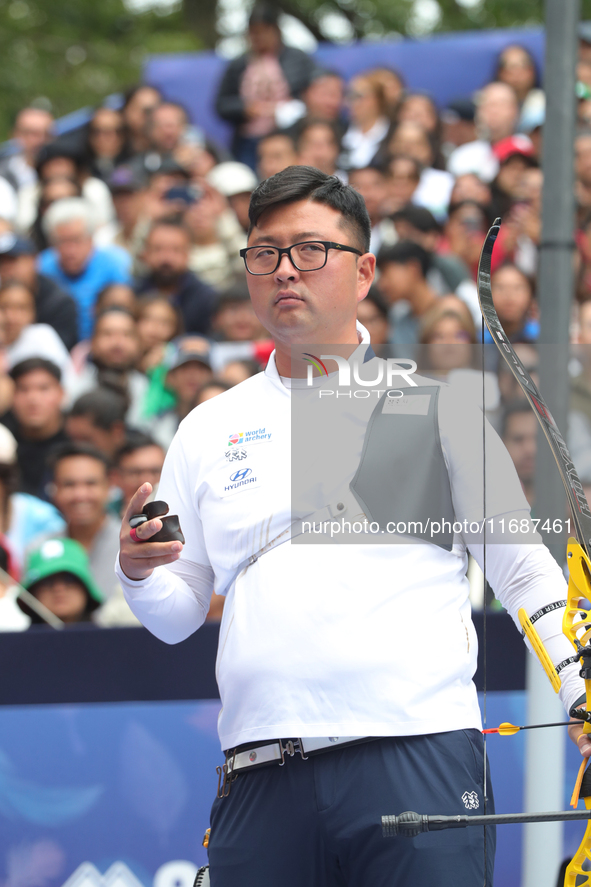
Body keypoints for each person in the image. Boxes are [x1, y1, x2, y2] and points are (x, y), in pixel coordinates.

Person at [115, 165, 587, 886]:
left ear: (363, 270)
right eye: (264, 252)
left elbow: (521, 568)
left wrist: (580, 690)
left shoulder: (438, 408)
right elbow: (177, 614)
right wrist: (139, 572)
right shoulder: (209, 426)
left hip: (416, 754)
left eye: (310, 250)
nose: (284, 271)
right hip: (260, 767)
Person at [215, 3, 315, 169]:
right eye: (254, 33)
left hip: (288, 136)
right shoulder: (238, 64)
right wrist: (244, 108)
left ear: (276, 31)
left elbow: (314, 91)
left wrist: (291, 107)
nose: (259, 37)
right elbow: (221, 104)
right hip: (248, 141)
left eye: (264, 31)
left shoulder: (297, 59)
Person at [35, 442, 121, 601]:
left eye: (91, 483)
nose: (80, 495)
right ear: (53, 489)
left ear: (110, 485)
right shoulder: (38, 550)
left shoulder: (133, 544)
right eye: (69, 484)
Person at [38, 197, 131, 341]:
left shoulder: (116, 263)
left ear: (91, 238)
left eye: (77, 240)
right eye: (62, 241)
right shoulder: (42, 266)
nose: (70, 250)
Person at [0, 358, 69, 502]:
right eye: (23, 389)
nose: (33, 398)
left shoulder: (78, 438)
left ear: (61, 393)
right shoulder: (3, 439)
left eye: (43, 388)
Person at [134, 220, 216, 335]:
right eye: (158, 249)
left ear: (188, 255)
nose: (166, 258)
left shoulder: (206, 298)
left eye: (175, 250)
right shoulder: (133, 294)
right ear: (145, 254)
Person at [0, 232, 78, 349]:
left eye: (12, 261)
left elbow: (58, 353)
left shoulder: (59, 302)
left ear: (34, 260)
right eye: (1, 262)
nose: (6, 269)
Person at [18, 537, 104, 625]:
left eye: (69, 578)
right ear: (32, 592)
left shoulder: (107, 638)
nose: (59, 589)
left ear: (86, 588)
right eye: (47, 581)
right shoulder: (11, 638)